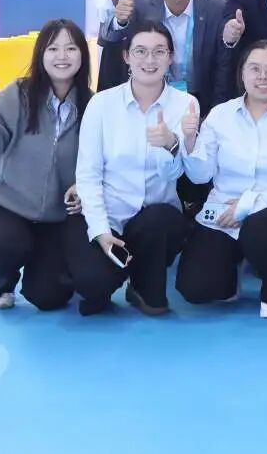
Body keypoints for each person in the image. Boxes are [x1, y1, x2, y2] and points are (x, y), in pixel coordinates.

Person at [176, 41, 267, 318]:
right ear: (242, 74)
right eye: (254, 69)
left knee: (261, 227)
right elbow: (200, 175)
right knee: (196, 289)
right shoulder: (220, 115)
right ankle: (231, 271)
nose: (263, 77)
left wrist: (249, 204)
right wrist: (190, 141)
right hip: (222, 212)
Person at [0, 19, 92, 311]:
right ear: (40, 54)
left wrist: (83, 186)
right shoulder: (19, 94)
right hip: (4, 206)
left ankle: (42, 265)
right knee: (6, 246)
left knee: (49, 297)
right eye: (53, 48)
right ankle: (2, 275)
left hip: (56, 218)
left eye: (71, 48)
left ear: (83, 55)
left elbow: (100, 161)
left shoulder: (92, 105)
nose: (62, 56)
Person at [65, 22, 194, 316]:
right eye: (140, 51)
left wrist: (171, 145)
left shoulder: (186, 104)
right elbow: (88, 175)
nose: (150, 60)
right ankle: (113, 273)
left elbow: (179, 175)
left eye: (159, 52)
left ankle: (142, 284)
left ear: (171, 57)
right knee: (92, 283)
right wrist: (100, 230)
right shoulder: (102, 104)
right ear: (126, 56)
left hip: (155, 219)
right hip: (110, 213)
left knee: (162, 220)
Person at [99, 0, 228, 116]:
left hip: (200, 103)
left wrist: (214, 115)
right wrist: (120, 20)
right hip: (149, 99)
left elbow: (223, 68)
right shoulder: (138, 2)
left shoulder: (216, 9)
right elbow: (109, 37)